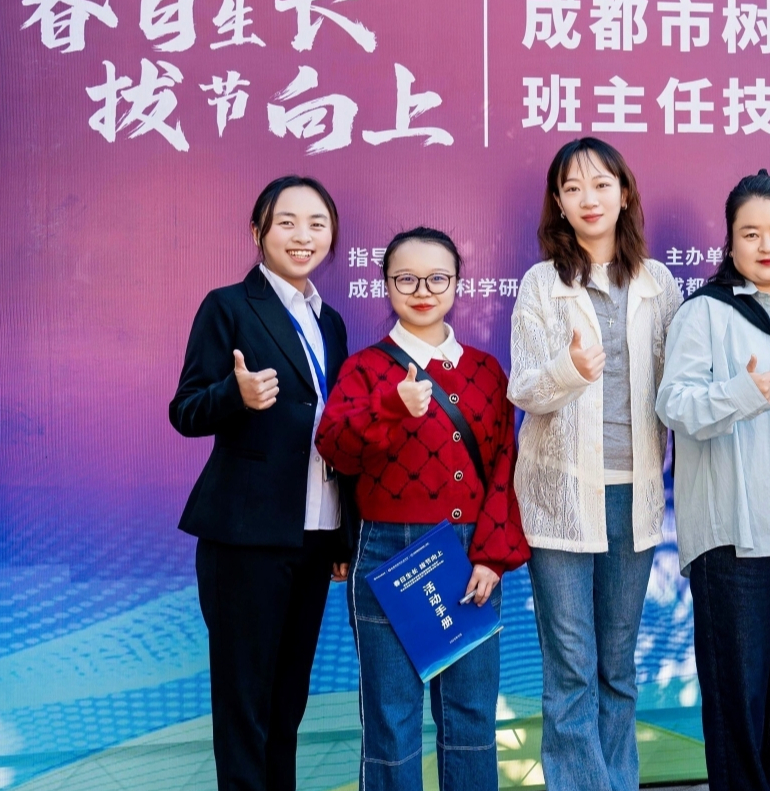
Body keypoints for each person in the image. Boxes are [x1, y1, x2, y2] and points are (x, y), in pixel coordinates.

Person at [317, 226, 528, 791]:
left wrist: (491, 557)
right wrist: (390, 405)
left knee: (471, 715)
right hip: (388, 553)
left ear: (457, 283)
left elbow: (505, 465)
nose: (422, 291)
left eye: (437, 278)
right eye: (406, 279)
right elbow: (333, 446)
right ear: (386, 285)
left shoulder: (485, 370)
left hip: (470, 557)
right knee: (391, 719)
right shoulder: (366, 368)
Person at [656, 170, 770, 791]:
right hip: (734, 527)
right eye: (751, 233)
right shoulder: (705, 313)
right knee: (738, 691)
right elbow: (673, 404)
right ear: (731, 243)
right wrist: (738, 394)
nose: (768, 245)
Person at [506, 137, 682, 791]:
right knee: (572, 669)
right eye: (573, 187)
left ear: (624, 193)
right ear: (558, 202)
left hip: (633, 496)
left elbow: (678, 384)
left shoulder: (658, 283)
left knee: (617, 668)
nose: (589, 198)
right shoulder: (542, 283)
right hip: (560, 498)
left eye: (601, 184)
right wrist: (570, 369)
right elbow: (525, 387)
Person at [170, 175, 352, 791]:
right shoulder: (228, 306)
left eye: (317, 224)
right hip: (245, 535)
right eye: (287, 222)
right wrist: (235, 394)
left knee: (287, 703)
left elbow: (332, 431)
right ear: (258, 231)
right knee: (245, 706)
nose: (304, 236)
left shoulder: (331, 323)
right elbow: (185, 410)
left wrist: (340, 537)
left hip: (314, 537)